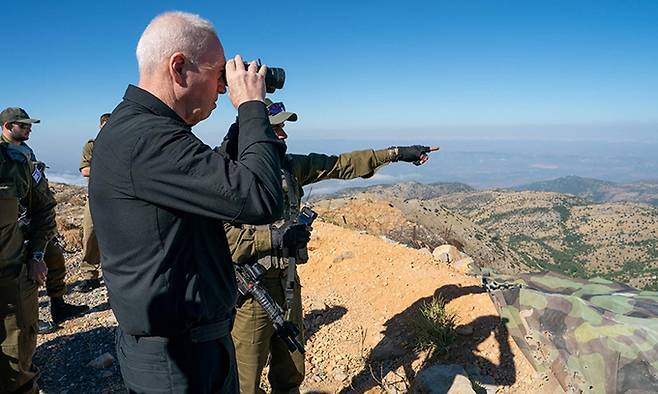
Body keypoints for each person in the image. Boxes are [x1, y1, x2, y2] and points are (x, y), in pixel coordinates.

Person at [89, 11, 287, 393]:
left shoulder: (141, 130)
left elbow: (213, 181)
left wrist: (237, 134)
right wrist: (250, 106)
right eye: (217, 76)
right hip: (178, 362)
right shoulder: (147, 140)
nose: (220, 89)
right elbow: (260, 197)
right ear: (178, 68)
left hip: (185, 347)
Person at [223, 99, 439, 394]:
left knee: (291, 373)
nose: (284, 135)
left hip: (287, 284)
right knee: (244, 384)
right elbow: (222, 241)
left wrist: (397, 153)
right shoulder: (230, 174)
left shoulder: (289, 166)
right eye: (276, 129)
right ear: (255, 132)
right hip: (251, 293)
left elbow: (340, 164)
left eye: (284, 128)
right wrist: (273, 239)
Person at [0, 107, 89, 327]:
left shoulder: (25, 152)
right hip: (12, 228)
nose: (29, 128)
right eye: (24, 125)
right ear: (7, 126)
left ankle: (58, 305)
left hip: (33, 220)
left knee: (54, 259)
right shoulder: (4, 156)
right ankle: (30, 318)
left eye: (30, 125)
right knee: (24, 275)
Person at [0, 108, 57, 393]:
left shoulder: (16, 162)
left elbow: (44, 208)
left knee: (17, 363)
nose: (29, 130)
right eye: (24, 126)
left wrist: (36, 257)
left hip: (10, 276)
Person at [74, 113, 110, 293]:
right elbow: (85, 170)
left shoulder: (122, 144)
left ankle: (115, 275)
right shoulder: (92, 146)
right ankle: (90, 275)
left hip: (118, 198)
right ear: (100, 126)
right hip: (95, 196)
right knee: (89, 235)